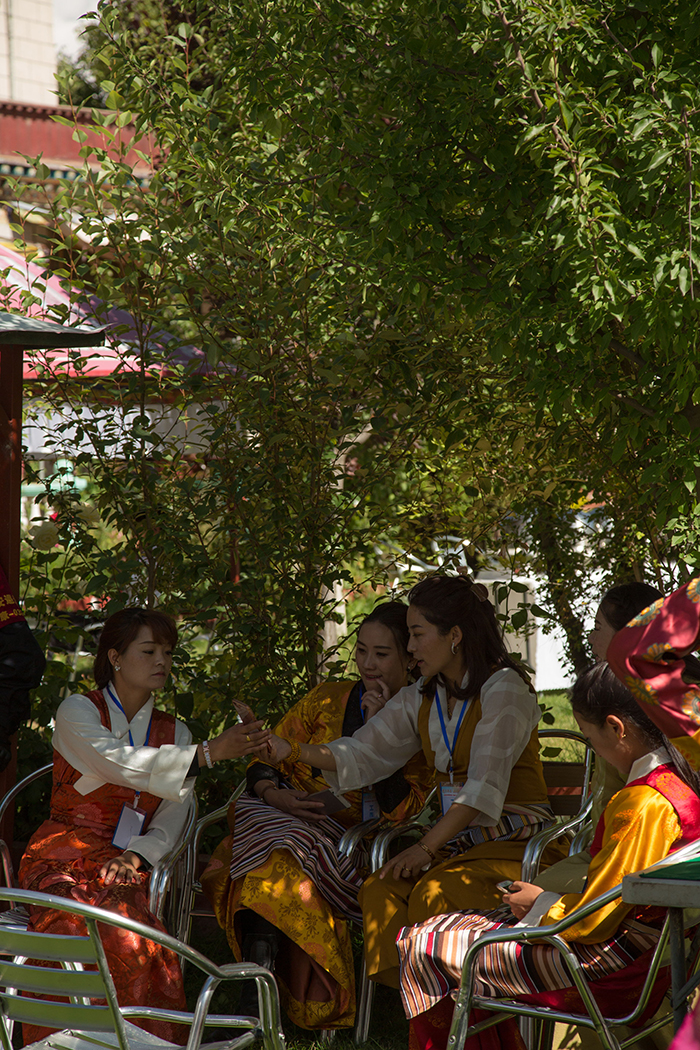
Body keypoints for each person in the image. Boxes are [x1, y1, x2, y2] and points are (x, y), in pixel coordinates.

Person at [267, 575, 559, 991]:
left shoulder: (504, 688)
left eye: (418, 634)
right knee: (379, 890)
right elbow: (361, 752)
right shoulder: (424, 694)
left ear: (454, 636)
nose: (410, 647)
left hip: (516, 844)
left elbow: (481, 788)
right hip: (457, 845)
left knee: (432, 893)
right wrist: (291, 750)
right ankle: (418, 1001)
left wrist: (424, 848)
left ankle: (450, 1005)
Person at [396, 660, 700, 1050]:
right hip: (651, 957)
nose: (595, 750)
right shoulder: (680, 782)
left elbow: (595, 920)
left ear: (616, 728)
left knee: (422, 948)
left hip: (612, 969)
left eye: (590, 739)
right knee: (435, 934)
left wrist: (540, 903)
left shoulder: (644, 802)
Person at [19, 606, 270, 1046]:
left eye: (167, 652)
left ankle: (130, 1041)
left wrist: (138, 855)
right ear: (115, 657)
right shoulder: (78, 709)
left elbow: (173, 814)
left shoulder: (177, 732)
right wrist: (208, 754)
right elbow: (116, 763)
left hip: (124, 859)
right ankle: (62, 1041)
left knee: (127, 927)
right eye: (149, 650)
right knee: (71, 922)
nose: (162, 661)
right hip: (62, 851)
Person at [201, 601, 432, 1030]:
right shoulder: (327, 698)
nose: (368, 664)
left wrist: (378, 731)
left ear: (409, 658)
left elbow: (404, 809)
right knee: (277, 845)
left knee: (277, 857)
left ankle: (254, 996)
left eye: (382, 654)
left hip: (351, 843)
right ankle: (259, 996)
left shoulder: (421, 716)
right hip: (278, 817)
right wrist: (276, 796)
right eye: (361, 651)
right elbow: (265, 759)